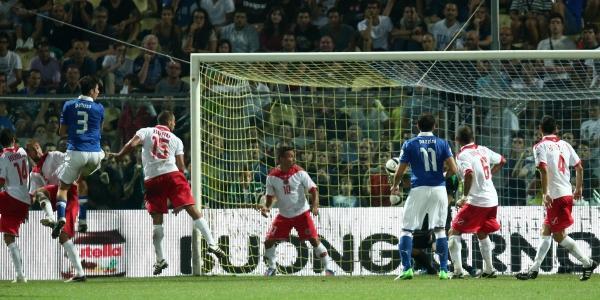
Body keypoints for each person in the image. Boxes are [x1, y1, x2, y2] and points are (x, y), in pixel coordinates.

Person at [111, 110, 225, 275]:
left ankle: (160, 259)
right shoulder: (176, 140)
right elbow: (181, 167)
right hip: (172, 175)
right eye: (173, 123)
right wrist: (180, 200)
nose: (174, 125)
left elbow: (133, 144)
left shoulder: (146, 131)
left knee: (157, 222)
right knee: (192, 209)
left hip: (152, 179)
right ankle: (212, 243)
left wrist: (120, 155)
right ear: (170, 122)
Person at [516, 116, 598, 281]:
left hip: (556, 196)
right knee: (546, 231)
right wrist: (579, 188)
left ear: (540, 129)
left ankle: (587, 262)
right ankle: (534, 269)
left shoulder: (540, 146)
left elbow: (543, 171)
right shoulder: (565, 144)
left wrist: (545, 193)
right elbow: (579, 167)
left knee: (558, 236)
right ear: (557, 129)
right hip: (566, 193)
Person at [390, 113, 458, 280]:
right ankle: (443, 270)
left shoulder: (409, 144)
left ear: (417, 126)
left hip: (418, 189)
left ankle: (407, 269)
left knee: (407, 230)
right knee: (440, 230)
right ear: (434, 126)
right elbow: (454, 170)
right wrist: (442, 176)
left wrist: (395, 185)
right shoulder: (443, 143)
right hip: (439, 190)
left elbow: (400, 170)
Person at [259, 146, 334, 276]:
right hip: (284, 215)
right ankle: (272, 267)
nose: (292, 159)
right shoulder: (271, 177)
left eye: (293, 156)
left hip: (301, 213)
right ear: (281, 158)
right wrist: (266, 207)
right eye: (289, 156)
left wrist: (315, 205)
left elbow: (313, 190)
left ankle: (329, 267)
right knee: (268, 241)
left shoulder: (300, 172)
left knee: (314, 240)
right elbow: (270, 198)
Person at [448, 126, 506, 279]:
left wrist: (464, 197)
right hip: (492, 199)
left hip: (477, 200)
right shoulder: (483, 149)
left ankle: (458, 271)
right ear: (473, 137)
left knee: (454, 231)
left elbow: (468, 174)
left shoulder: (462, 155)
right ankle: (489, 269)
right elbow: (502, 160)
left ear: (457, 140)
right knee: (481, 231)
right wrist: (489, 176)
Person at [26, 139, 87, 282]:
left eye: (33, 148)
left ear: (38, 147)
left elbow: (74, 164)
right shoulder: (34, 174)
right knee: (39, 193)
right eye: (30, 150)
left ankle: (52, 219)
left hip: (70, 192)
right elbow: (31, 197)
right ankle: (80, 273)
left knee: (63, 236)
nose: (32, 152)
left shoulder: (54, 156)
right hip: (57, 197)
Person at [53, 76, 105, 242]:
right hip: (95, 155)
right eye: (97, 89)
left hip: (76, 152)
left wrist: (74, 131)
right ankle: (82, 220)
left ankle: (60, 217)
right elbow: (99, 131)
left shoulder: (69, 105)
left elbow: (62, 132)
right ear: (91, 90)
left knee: (63, 188)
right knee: (81, 180)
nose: (98, 92)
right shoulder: (99, 108)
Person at [0, 129, 30, 283]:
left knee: (9, 238)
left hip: (11, 197)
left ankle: (21, 275)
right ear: (13, 138)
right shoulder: (23, 152)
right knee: (9, 237)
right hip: (24, 199)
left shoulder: (3, 156)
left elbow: (1, 181)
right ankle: (20, 275)